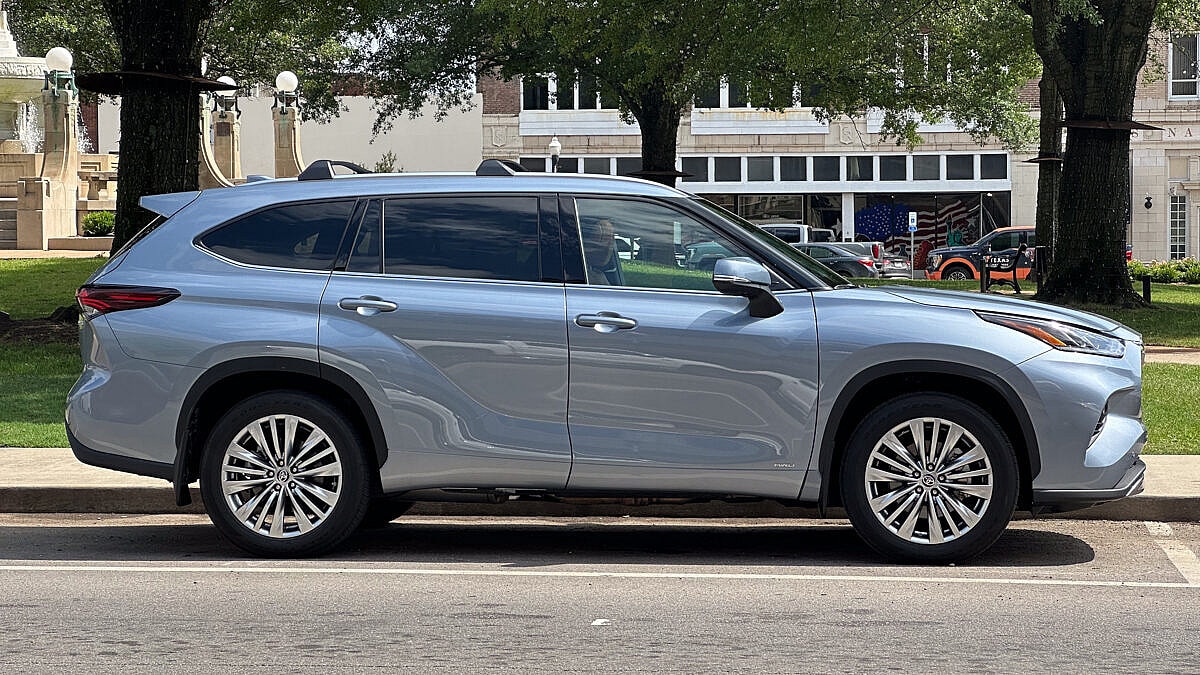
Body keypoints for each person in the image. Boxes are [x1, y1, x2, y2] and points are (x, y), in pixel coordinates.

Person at [582, 217, 623, 285]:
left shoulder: (594, 274)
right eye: (603, 239)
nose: (609, 246)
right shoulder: (591, 280)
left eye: (612, 237)